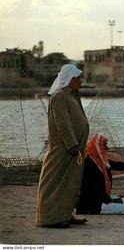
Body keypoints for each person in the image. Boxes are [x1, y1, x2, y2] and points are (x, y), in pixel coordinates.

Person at [36, 64, 90, 228]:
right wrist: (72, 145)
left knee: (70, 183)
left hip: (74, 148)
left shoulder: (71, 95)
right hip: (64, 149)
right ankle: (50, 218)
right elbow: (63, 124)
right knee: (55, 183)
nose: (80, 81)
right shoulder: (59, 96)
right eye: (77, 78)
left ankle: (65, 214)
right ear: (69, 79)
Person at [76, 134, 124, 215]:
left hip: (102, 198)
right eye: (104, 145)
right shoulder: (88, 163)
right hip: (92, 203)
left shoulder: (101, 160)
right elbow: (93, 188)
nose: (107, 148)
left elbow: (118, 165)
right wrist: (109, 200)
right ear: (97, 147)